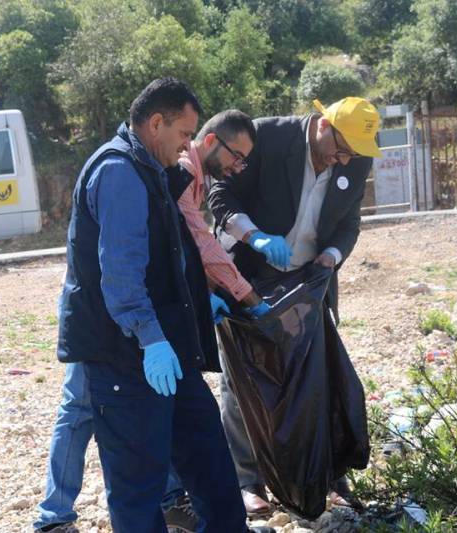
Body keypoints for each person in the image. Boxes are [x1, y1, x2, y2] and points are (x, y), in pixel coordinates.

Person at [34, 77, 272, 533]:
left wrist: (200, 301)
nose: (187, 147)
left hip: (168, 349)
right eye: (184, 134)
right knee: (138, 487)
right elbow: (121, 275)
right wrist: (151, 339)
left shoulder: (154, 170)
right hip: (126, 355)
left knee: (209, 462)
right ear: (156, 123)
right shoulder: (119, 171)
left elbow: (177, 252)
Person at [208, 97, 382, 516]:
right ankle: (249, 480)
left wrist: (332, 257)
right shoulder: (263, 138)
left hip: (308, 281)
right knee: (244, 377)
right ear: (323, 125)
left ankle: (328, 476)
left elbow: (349, 225)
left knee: (316, 376)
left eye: (351, 155)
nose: (343, 161)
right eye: (340, 150)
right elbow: (220, 196)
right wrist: (254, 236)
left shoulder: (354, 160)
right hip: (250, 274)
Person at [159, 109, 271, 531]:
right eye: (236, 156)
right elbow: (201, 243)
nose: (238, 167)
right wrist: (247, 295)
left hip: (170, 305)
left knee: (170, 403)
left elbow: (188, 248)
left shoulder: (199, 179)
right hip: (131, 315)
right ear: (210, 142)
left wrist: (208, 292)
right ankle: (55, 516)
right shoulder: (186, 170)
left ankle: (173, 500)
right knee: (85, 410)